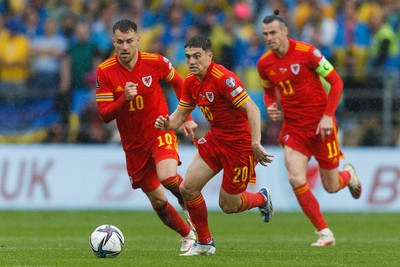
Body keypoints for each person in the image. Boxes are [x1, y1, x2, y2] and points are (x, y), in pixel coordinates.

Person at [155, 35, 274, 256]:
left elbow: (253, 110)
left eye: (197, 56)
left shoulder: (224, 79)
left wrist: (255, 143)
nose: (191, 61)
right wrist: (166, 124)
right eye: (188, 56)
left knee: (228, 205)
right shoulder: (191, 81)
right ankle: (205, 243)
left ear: (210, 56)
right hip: (216, 140)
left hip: (239, 147)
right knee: (187, 188)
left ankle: (262, 199)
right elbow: (180, 116)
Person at [256, 10, 362, 247]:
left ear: (285, 32)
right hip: (294, 128)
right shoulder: (264, 64)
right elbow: (267, 91)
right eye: (265, 34)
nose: (269, 37)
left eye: (273, 32)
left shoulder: (308, 53)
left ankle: (349, 176)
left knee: (331, 186)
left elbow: (336, 82)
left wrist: (327, 116)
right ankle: (324, 232)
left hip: (321, 126)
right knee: (295, 177)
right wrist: (271, 105)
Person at [95, 19, 198, 252]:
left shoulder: (156, 62)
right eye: (119, 42)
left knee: (168, 176)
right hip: (134, 146)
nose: (124, 47)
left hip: (160, 129)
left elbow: (180, 83)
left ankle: (192, 210)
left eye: (129, 41)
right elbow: (104, 115)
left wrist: (186, 118)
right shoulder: (105, 71)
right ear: (113, 42)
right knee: (159, 202)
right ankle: (189, 236)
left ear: (138, 40)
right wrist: (124, 99)